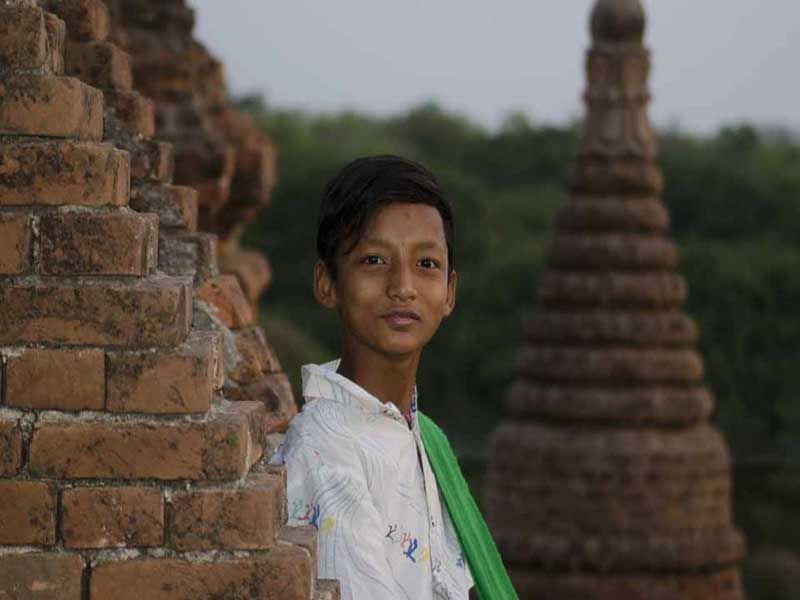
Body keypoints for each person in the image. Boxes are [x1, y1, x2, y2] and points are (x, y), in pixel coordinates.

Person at [271, 155, 514, 599]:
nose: (403, 286)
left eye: (426, 265)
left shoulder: (424, 437)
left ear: (449, 293)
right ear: (327, 283)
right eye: (374, 259)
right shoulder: (325, 455)